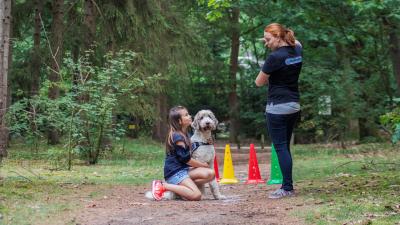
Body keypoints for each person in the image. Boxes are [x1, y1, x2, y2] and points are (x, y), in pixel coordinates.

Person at [255, 23, 302, 199]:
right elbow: (295, 41)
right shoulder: (297, 49)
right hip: (294, 105)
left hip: (277, 108)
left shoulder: (274, 58)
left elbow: (258, 82)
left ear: (278, 37)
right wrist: (274, 37)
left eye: (268, 40)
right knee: (285, 147)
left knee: (280, 147)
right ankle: (287, 185)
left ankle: (287, 188)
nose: (266, 44)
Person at [151, 106, 215, 201]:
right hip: (175, 173)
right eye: (186, 115)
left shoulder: (185, 134)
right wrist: (202, 165)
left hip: (183, 170)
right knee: (196, 195)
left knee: (211, 174)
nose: (189, 116)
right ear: (180, 121)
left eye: (188, 114)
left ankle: (182, 190)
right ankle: (163, 186)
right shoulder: (177, 136)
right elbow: (186, 159)